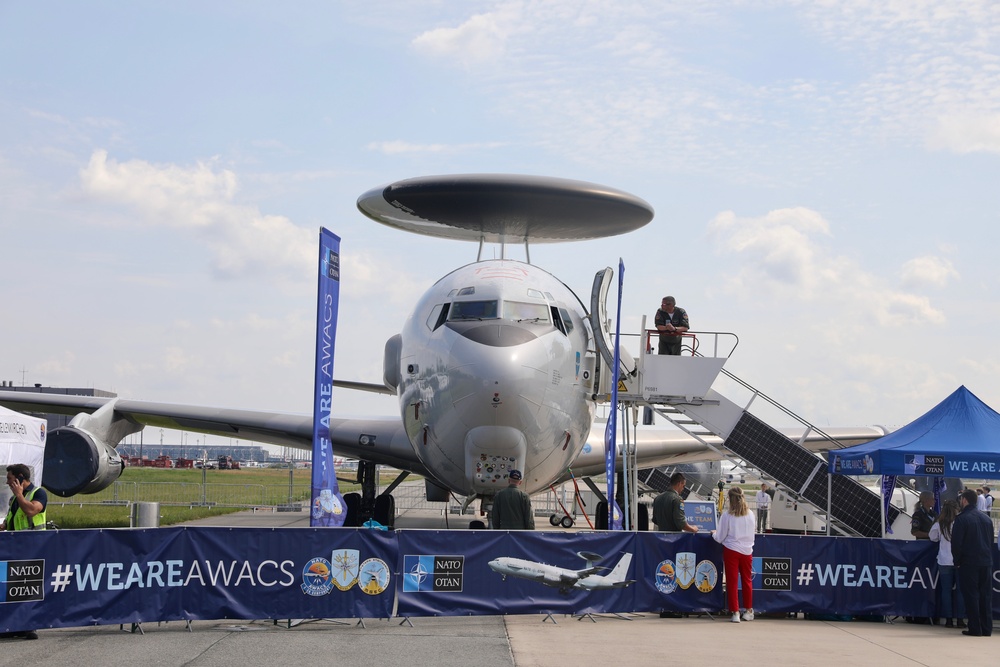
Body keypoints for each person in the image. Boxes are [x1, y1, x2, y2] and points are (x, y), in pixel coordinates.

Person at [2, 464, 47, 641]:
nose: (7, 482)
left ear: (20, 478)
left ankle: (30, 625)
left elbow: (31, 510)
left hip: (34, 547)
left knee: (30, 587)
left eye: (10, 479)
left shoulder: (38, 493)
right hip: (16, 548)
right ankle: (14, 625)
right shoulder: (14, 500)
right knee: (13, 588)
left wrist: (19, 495)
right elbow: (8, 524)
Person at [951, 488, 995, 637]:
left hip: (969, 562)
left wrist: (957, 561)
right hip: (986, 561)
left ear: (964, 500)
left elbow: (956, 543)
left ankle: (975, 628)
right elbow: (990, 542)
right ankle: (986, 628)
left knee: (971, 596)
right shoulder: (987, 519)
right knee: (985, 596)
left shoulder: (962, 519)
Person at [713, 486, 756, 623]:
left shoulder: (727, 515)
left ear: (730, 499)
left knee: (732, 582)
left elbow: (720, 537)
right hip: (747, 550)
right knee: (747, 581)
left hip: (731, 550)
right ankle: (749, 610)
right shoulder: (751, 514)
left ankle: (735, 612)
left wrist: (713, 533)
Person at [928, 500, 966, 628]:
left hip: (944, 560)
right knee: (961, 591)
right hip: (960, 561)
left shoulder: (940, 523)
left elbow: (932, 537)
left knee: (946, 591)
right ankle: (960, 619)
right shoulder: (960, 522)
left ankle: (948, 619)